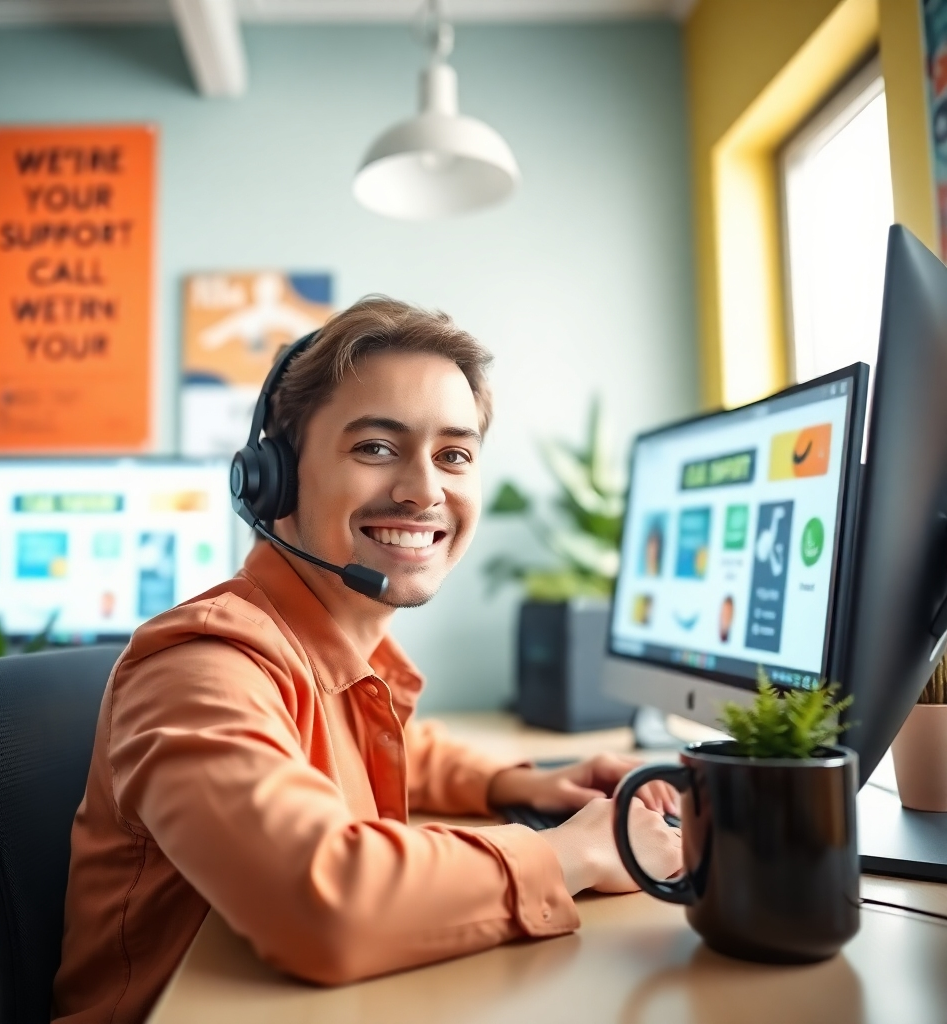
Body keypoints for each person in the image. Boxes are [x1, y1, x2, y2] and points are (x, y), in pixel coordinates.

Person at [53, 297, 682, 1022]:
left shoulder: (338, 652)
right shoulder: (200, 666)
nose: (423, 490)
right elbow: (322, 903)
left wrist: (533, 785)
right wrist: (582, 853)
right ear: (274, 480)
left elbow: (398, 747)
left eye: (454, 454)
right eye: (376, 448)